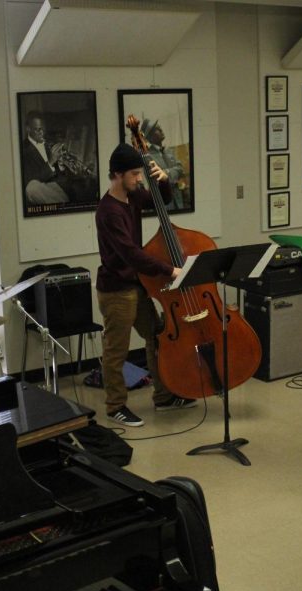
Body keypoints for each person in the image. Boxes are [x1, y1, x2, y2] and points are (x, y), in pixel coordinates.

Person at [95, 143, 198, 427]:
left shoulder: (132, 197)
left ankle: (164, 396)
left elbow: (160, 201)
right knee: (117, 350)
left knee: (155, 337)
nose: (139, 179)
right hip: (116, 289)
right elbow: (132, 254)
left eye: (140, 173)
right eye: (134, 174)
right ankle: (115, 405)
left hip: (135, 285)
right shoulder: (109, 211)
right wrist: (170, 270)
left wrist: (163, 181)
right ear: (117, 174)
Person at [21, 111, 70, 207]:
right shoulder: (22, 150)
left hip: (58, 186)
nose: (42, 133)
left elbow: (61, 174)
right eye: (37, 130)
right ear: (28, 129)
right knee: (32, 187)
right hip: (41, 190)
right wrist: (51, 162)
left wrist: (61, 164)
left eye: (43, 129)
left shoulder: (49, 142)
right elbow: (30, 180)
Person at [140, 118, 187, 211]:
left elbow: (181, 169)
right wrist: (172, 173)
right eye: (157, 129)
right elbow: (155, 178)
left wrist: (165, 174)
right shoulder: (147, 155)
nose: (161, 130)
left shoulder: (168, 150)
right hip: (163, 203)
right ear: (150, 136)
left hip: (178, 200)